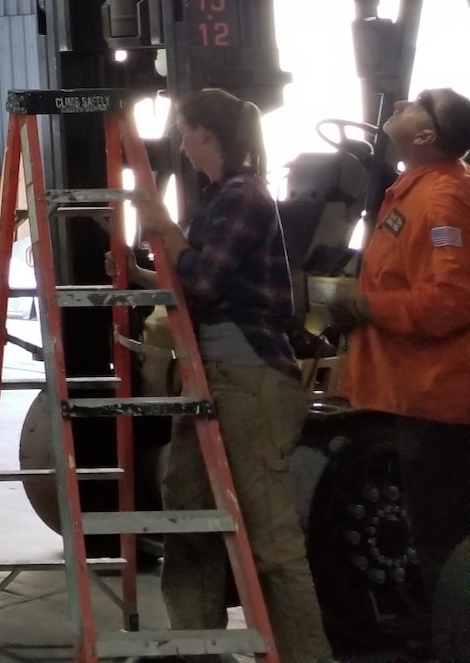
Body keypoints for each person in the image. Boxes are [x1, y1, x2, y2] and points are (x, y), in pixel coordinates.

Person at [125, 88, 332, 663]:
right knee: (188, 511)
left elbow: (205, 281)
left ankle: (306, 656)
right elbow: (195, 282)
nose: (182, 147)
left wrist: (164, 227)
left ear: (206, 136)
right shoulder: (219, 199)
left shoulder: (243, 196)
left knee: (268, 538)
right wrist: (142, 271)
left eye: (185, 133)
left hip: (248, 377)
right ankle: (197, 645)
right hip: (212, 374)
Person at [330, 87, 470, 625]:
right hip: (419, 396)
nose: (402, 103)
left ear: (427, 135)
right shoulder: (411, 192)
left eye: (418, 102)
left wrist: (368, 307)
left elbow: (451, 300)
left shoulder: (441, 200)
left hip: (441, 401)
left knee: (445, 541)